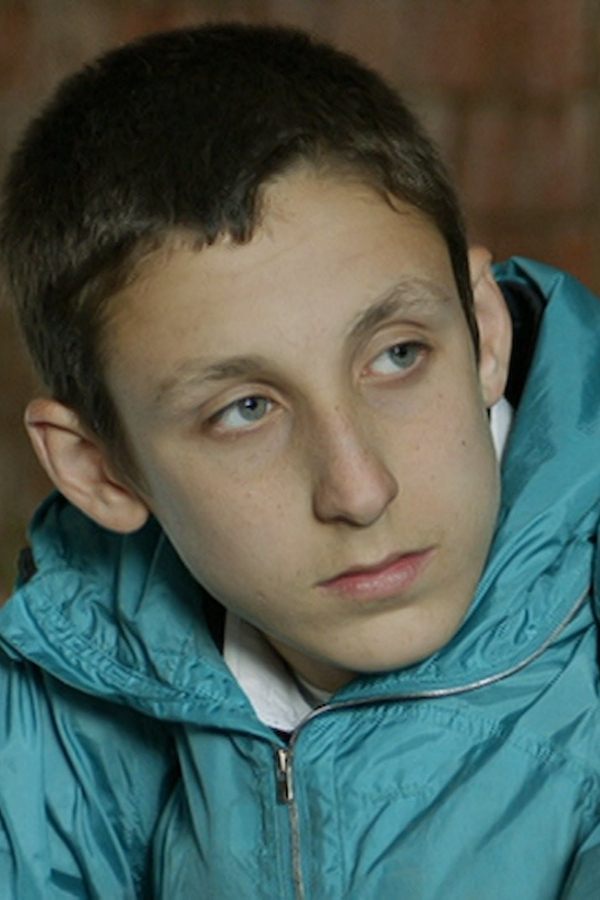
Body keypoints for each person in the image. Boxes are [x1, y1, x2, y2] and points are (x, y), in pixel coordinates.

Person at [0, 21, 598, 899]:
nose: (361, 490)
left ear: (483, 331)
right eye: (245, 411)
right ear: (98, 471)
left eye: (397, 355)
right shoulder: (60, 695)